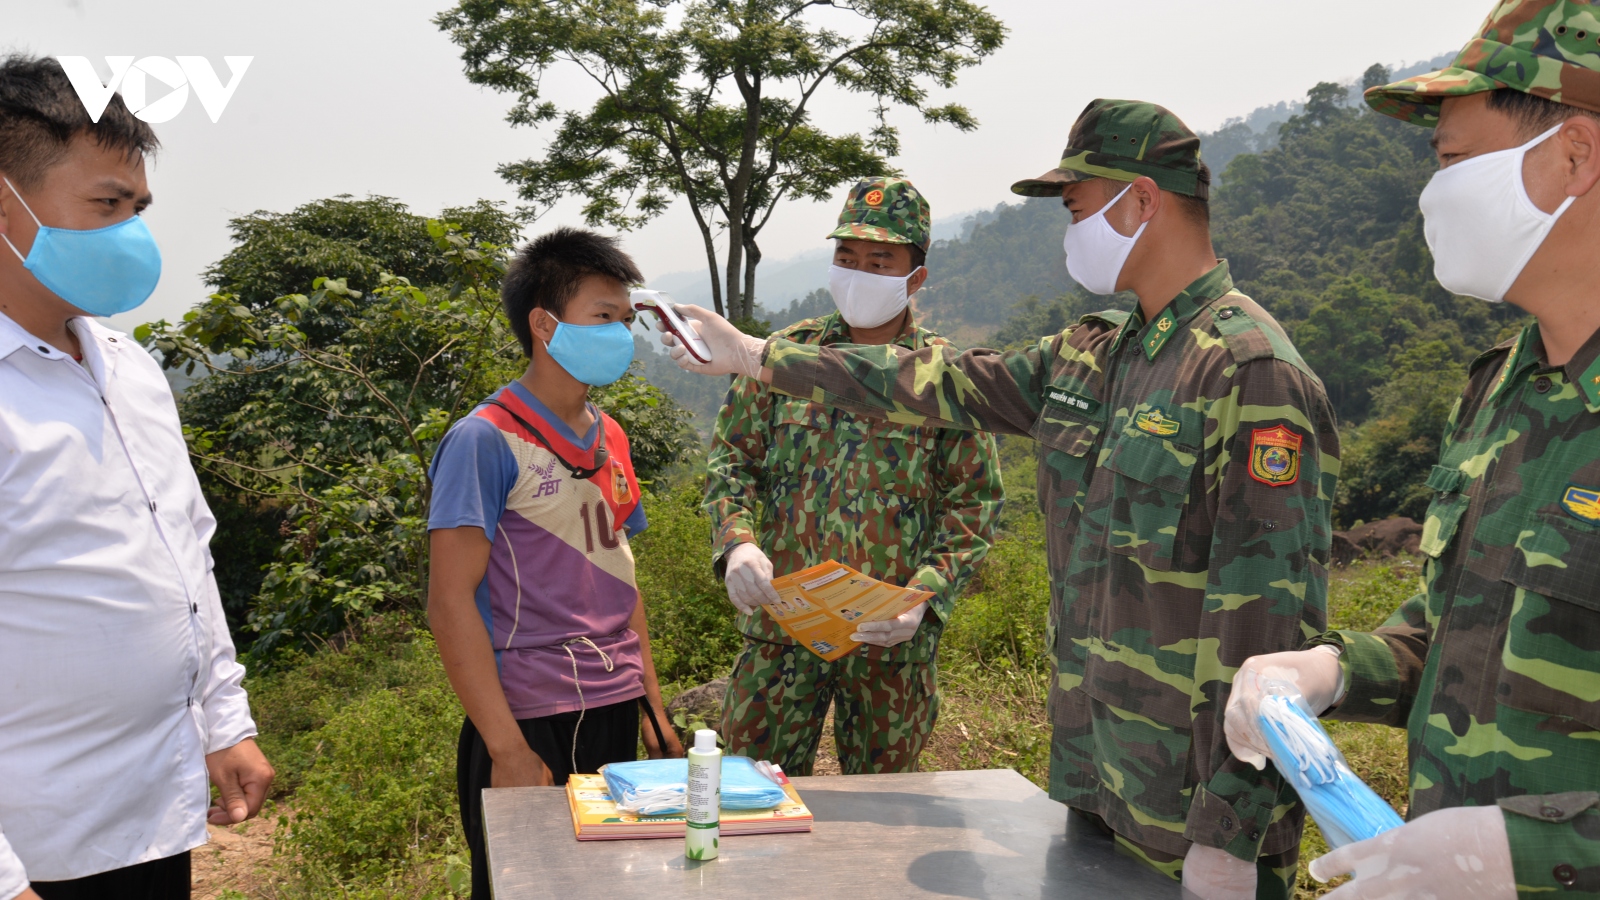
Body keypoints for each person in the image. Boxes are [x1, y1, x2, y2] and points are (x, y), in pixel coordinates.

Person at [658, 100, 1340, 899]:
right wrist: (757, 355)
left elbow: (1268, 632)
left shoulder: (1247, 372)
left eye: (1078, 210)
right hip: (1096, 779)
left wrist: (1231, 834)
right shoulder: (1095, 355)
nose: (1070, 231)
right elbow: (939, 383)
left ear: (1142, 201)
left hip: (1189, 812)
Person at [1223, 3, 1600, 897]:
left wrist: (1532, 858)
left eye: (1454, 162)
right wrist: (1326, 671)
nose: (1431, 195)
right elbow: (1459, 632)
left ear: (1576, 156)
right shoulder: (1507, 386)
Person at [0, 56, 274, 900]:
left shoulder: (129, 368)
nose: (131, 231)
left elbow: (184, 553)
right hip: (38, 844)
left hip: (153, 812)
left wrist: (223, 721)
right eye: (106, 206)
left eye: (138, 208)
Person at [707, 177, 1002, 776]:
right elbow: (731, 462)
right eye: (847, 258)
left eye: (878, 260)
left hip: (889, 638)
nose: (858, 272)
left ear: (914, 277)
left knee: (884, 811)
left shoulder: (942, 377)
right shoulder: (784, 356)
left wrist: (924, 597)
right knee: (753, 796)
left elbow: (975, 504)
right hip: (782, 627)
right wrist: (737, 543)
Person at [427, 226, 684, 900]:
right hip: (533, 714)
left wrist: (652, 708)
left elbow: (620, 579)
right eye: (603, 317)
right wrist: (509, 751)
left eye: (626, 319)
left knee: (610, 885)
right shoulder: (483, 441)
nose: (621, 335)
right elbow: (450, 601)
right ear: (544, 325)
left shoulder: (611, 436)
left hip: (614, 704)